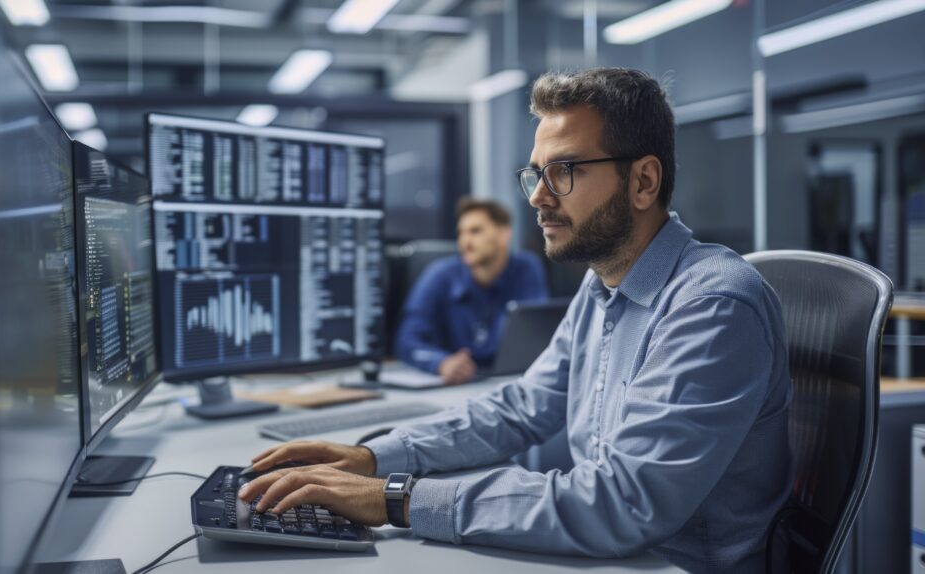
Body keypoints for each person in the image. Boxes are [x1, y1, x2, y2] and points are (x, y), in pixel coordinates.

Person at [239, 68, 792, 573]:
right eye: (535, 175)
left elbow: (621, 504)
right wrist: (373, 456)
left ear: (644, 182)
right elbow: (522, 408)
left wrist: (395, 497)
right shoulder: (605, 282)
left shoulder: (712, 304)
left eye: (565, 171)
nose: (540, 198)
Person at [394, 197, 548, 384]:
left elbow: (534, 335)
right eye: (461, 233)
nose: (465, 241)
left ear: (504, 233)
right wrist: (441, 362)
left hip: (508, 380)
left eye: (475, 231)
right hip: (457, 384)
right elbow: (406, 341)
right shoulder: (438, 275)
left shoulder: (526, 268)